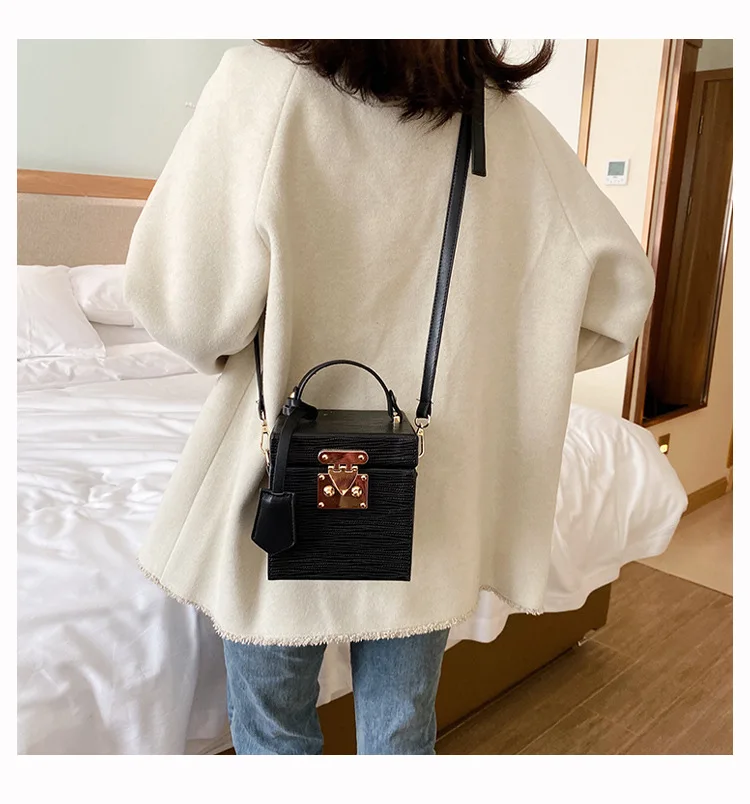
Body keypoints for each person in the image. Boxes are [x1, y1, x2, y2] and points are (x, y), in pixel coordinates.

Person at [125, 39, 655, 755]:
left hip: (284, 480)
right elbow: (617, 300)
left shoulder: (263, 81)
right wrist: (497, 369)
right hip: (428, 487)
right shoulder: (501, 121)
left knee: (274, 732)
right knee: (400, 733)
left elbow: (187, 309)